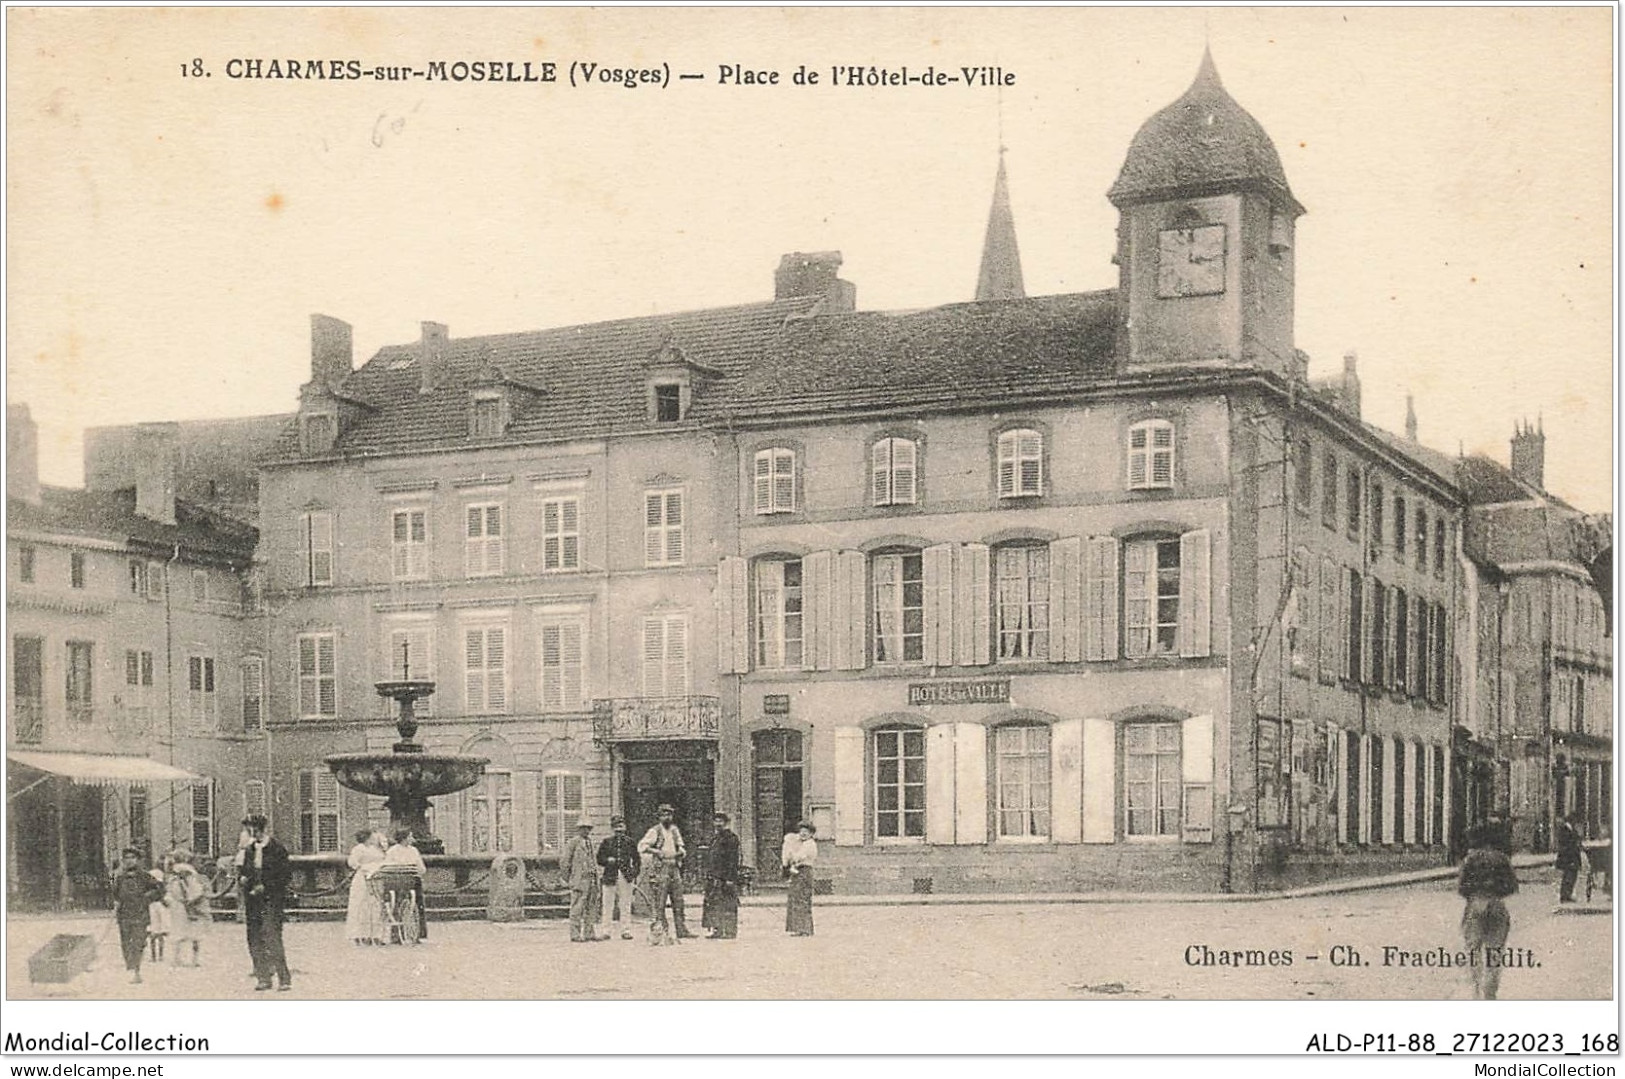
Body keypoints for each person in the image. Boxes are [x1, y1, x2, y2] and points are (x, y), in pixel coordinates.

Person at [1458, 822, 1520, 1000]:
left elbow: (1462, 888)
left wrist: (1476, 894)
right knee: (1495, 950)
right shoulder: (1501, 859)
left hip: (1475, 905)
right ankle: (1490, 989)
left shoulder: (1470, 859)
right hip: (1496, 905)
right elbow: (1511, 887)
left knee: (1473, 949)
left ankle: (1475, 989)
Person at [238, 813, 292, 992]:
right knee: (254, 937)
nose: (251, 832)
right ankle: (263, 977)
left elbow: (285, 876)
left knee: (272, 936)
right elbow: (246, 870)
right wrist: (245, 878)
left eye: (253, 828)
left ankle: (283, 978)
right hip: (253, 900)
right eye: (248, 829)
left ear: (261, 829)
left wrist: (267, 887)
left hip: (271, 900)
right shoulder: (250, 849)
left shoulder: (277, 849)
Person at [638, 803, 694, 944]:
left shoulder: (674, 830)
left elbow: (681, 846)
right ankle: (662, 930)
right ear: (659, 816)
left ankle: (681, 929)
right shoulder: (654, 831)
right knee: (660, 901)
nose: (667, 817)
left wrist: (681, 851)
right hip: (660, 868)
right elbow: (642, 846)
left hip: (674, 867)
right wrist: (655, 851)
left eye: (669, 814)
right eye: (664, 814)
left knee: (678, 900)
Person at [113, 846, 164, 985]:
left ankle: (137, 971)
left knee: (137, 943)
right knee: (125, 944)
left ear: (137, 860)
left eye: (132, 858)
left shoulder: (144, 876)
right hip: (124, 915)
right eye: (126, 858)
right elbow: (115, 894)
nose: (129, 861)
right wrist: (116, 903)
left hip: (140, 915)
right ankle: (131, 968)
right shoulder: (120, 877)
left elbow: (159, 889)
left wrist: (146, 897)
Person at [380, 828, 429, 942]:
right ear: (404, 838)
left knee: (405, 904)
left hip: (403, 881)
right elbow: (421, 868)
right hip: (405, 881)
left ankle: (404, 934)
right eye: (410, 836)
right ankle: (407, 934)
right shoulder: (404, 851)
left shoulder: (402, 850)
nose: (412, 839)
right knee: (407, 904)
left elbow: (420, 867)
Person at [562, 818, 606, 942]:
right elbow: (565, 862)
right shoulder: (573, 843)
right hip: (579, 880)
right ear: (578, 829)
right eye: (583, 828)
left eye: (588, 828)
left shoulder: (590, 843)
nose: (586, 830)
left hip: (592, 879)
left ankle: (589, 933)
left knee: (591, 907)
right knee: (577, 908)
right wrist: (570, 879)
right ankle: (575, 934)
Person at [596, 815, 641, 940]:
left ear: (625, 828)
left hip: (625, 876)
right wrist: (607, 860)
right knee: (607, 904)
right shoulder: (606, 842)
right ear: (612, 829)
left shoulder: (630, 842)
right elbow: (599, 859)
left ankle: (625, 930)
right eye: (616, 828)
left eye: (621, 828)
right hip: (610, 875)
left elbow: (637, 860)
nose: (619, 831)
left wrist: (633, 873)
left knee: (625, 904)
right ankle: (606, 931)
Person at [163, 850, 210, 968]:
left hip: (177, 905)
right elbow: (196, 889)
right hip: (191, 905)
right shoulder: (191, 873)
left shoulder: (172, 875)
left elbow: (169, 890)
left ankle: (177, 958)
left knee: (178, 931)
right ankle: (194, 959)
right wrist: (194, 898)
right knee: (195, 933)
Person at [703, 812, 741, 939]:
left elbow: (733, 860)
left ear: (726, 823)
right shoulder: (715, 838)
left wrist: (730, 878)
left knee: (728, 904)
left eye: (721, 821)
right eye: (716, 821)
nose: (718, 824)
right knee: (715, 904)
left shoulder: (731, 838)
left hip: (726, 877)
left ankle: (730, 931)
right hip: (714, 877)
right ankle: (717, 930)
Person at [344, 829, 386, 945]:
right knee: (360, 906)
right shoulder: (358, 849)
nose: (374, 838)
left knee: (375, 905)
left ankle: (375, 935)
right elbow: (352, 862)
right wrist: (364, 867)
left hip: (376, 878)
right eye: (372, 837)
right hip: (362, 879)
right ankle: (359, 934)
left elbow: (384, 859)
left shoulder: (376, 849)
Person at [781, 820, 818, 937]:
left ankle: (805, 928)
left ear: (811, 834)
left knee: (802, 899)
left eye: (806, 832)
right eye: (801, 832)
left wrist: (791, 853)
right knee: (796, 898)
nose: (803, 834)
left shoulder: (809, 844)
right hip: (798, 872)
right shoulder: (801, 843)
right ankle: (799, 928)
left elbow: (798, 857)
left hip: (804, 872)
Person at [1555, 813, 1584, 903]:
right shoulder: (1565, 829)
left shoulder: (1571, 829)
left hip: (1572, 856)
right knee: (1568, 876)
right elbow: (1566, 843)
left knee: (1572, 876)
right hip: (1568, 856)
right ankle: (1565, 895)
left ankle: (1568, 894)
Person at [146, 860, 170, 963]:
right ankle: (158, 956)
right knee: (157, 933)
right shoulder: (160, 880)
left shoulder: (155, 882)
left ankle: (155, 956)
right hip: (157, 906)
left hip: (155, 906)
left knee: (155, 932)